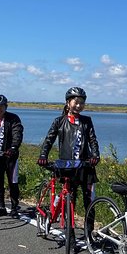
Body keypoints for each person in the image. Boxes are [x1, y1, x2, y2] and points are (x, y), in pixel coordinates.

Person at [37, 87, 100, 224]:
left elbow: (93, 140)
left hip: (85, 166)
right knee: (70, 199)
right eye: (76, 102)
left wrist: (95, 155)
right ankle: (69, 233)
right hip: (68, 167)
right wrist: (43, 155)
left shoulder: (87, 121)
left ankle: (89, 234)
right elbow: (49, 140)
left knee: (89, 201)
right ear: (68, 102)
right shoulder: (59, 121)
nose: (79, 105)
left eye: (82, 103)